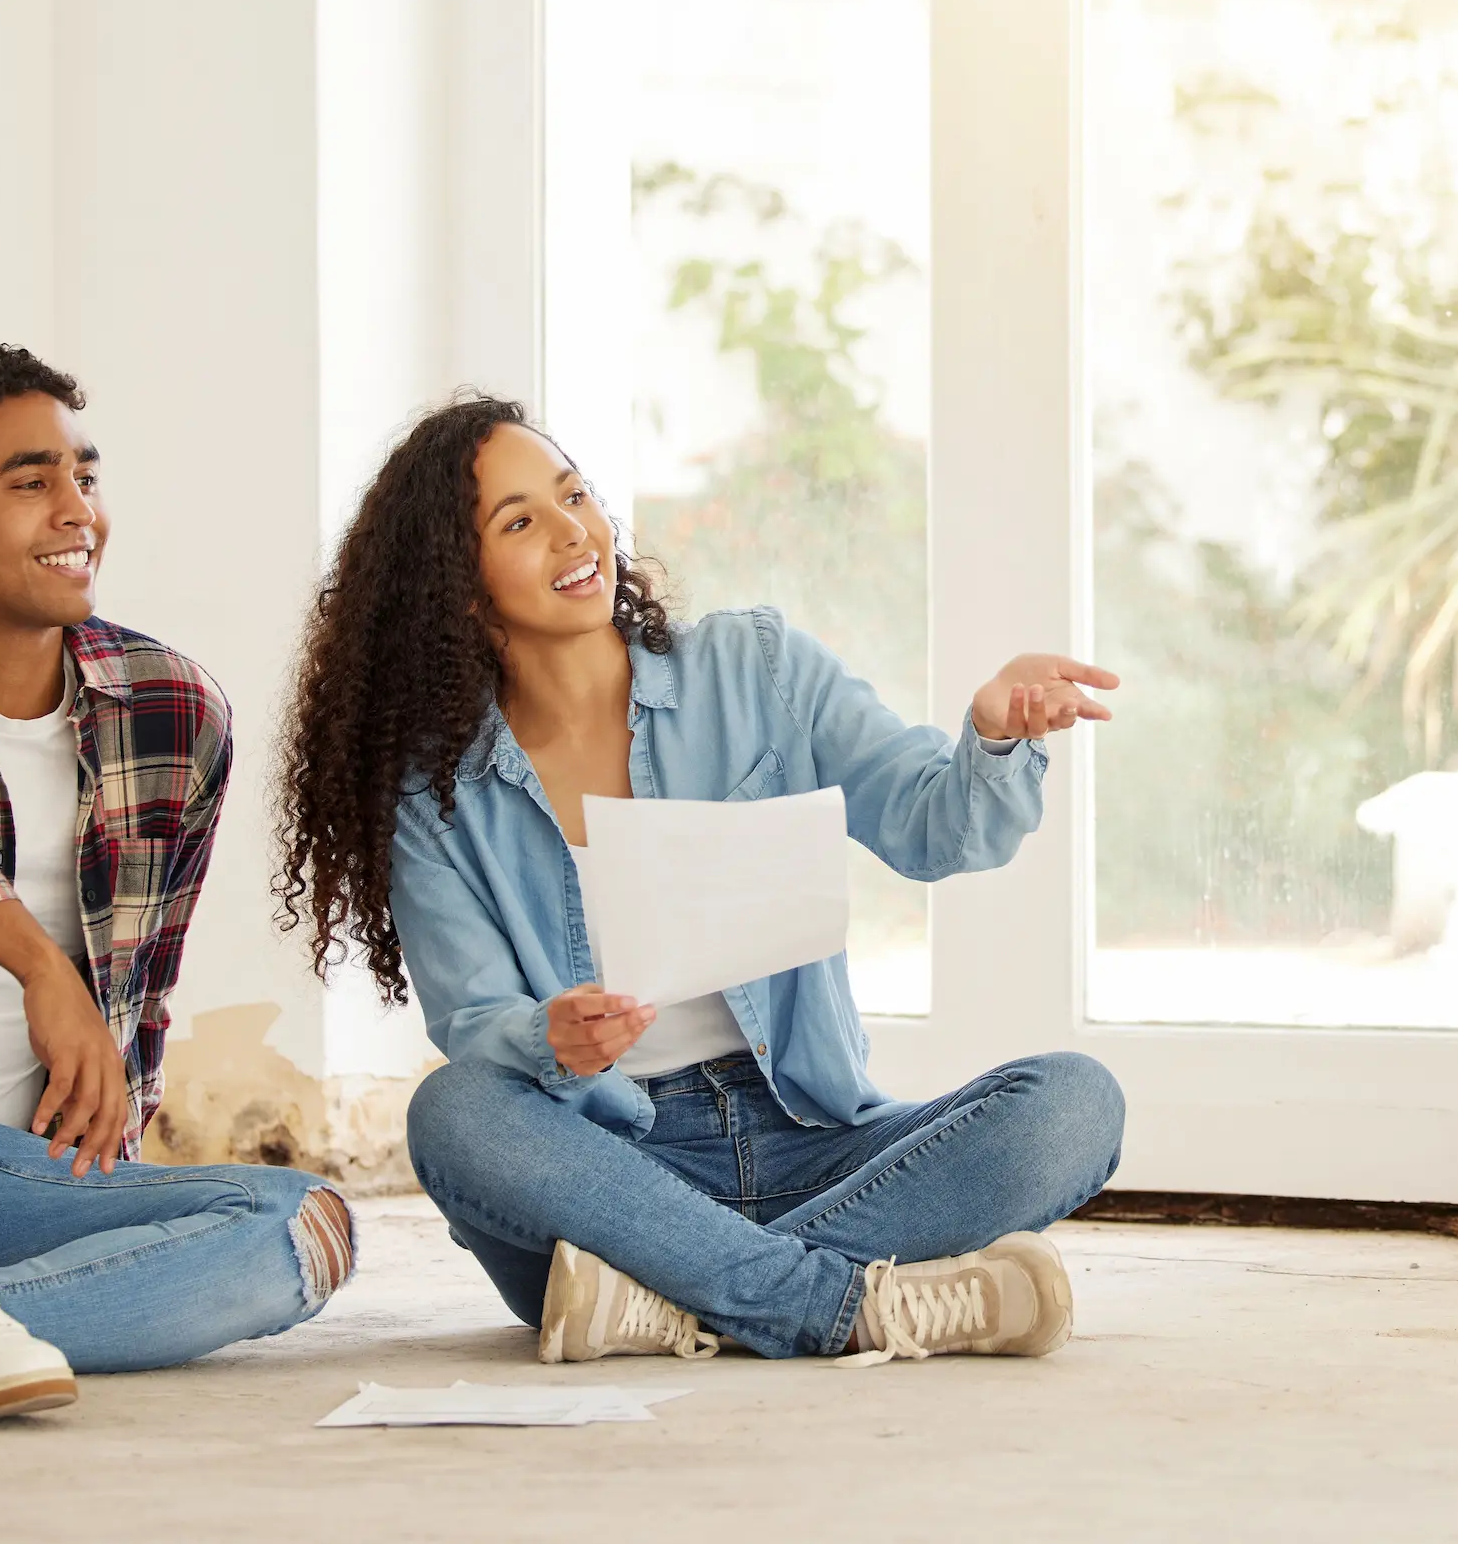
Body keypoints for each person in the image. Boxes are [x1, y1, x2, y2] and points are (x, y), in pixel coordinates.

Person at [276, 394, 1123, 1366]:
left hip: (818, 1142)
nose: (573, 532)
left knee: (1074, 1102)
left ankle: (688, 1301)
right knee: (454, 1111)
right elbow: (477, 1023)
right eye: (520, 522)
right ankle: (837, 1300)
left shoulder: (757, 669)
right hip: (610, 1174)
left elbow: (936, 831)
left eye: (573, 495)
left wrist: (997, 736)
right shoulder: (437, 795)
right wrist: (555, 1038)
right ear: (455, 588)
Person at [0, 346, 355, 1427]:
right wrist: (40, 967)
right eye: (29, 482)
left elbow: (143, 986)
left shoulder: (170, 707)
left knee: (301, 1225)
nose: (76, 511)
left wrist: (115, 1143)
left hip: (16, 1174)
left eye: (85, 478)